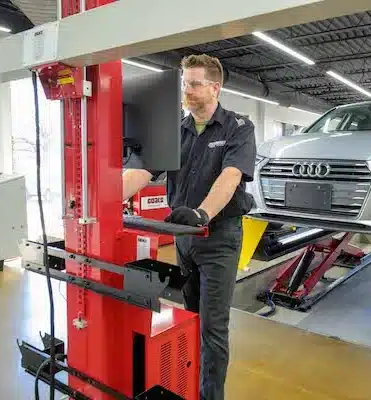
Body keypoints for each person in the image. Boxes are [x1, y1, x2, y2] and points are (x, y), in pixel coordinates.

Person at [122, 54, 256, 400]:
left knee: (213, 328)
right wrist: (97, 203)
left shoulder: (238, 128)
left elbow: (231, 176)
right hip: (184, 240)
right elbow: (142, 170)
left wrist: (202, 213)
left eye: (195, 84)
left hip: (218, 237)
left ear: (216, 87)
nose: (187, 90)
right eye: (185, 83)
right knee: (190, 318)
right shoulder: (175, 130)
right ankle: (190, 386)